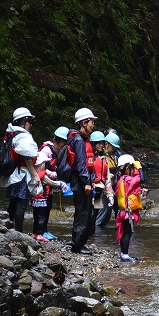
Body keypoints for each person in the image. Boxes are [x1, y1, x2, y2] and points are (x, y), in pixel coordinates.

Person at [66, 107, 97, 254]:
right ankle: (77, 245)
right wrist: (86, 182)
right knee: (82, 213)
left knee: (85, 212)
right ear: (84, 122)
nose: (93, 125)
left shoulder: (82, 139)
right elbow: (81, 164)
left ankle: (79, 242)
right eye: (91, 122)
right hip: (80, 182)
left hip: (83, 181)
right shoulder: (78, 140)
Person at [4, 107, 41, 232]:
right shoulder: (24, 136)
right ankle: (19, 232)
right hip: (22, 175)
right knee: (21, 204)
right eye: (29, 121)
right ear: (23, 121)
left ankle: (7, 228)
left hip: (13, 175)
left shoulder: (12, 133)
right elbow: (27, 157)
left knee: (13, 204)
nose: (31, 124)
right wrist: (35, 175)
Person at [30, 148, 64, 241]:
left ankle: (34, 233)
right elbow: (51, 182)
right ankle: (40, 234)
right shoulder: (42, 174)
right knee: (42, 217)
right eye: (45, 164)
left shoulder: (33, 174)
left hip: (34, 199)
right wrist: (61, 184)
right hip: (42, 199)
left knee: (36, 217)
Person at [114, 154, 142, 262]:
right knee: (127, 233)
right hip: (127, 212)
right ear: (127, 169)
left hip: (123, 211)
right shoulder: (128, 179)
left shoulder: (121, 179)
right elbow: (141, 178)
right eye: (132, 168)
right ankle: (124, 254)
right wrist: (139, 168)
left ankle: (123, 253)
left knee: (124, 232)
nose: (134, 170)